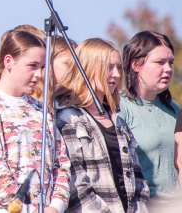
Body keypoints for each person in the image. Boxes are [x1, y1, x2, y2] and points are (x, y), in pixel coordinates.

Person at [0, 29, 71, 213]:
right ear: (9, 62)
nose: (39, 74)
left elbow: (61, 163)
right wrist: (27, 208)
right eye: (32, 66)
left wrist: (55, 206)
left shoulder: (40, 109)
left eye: (42, 67)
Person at [55, 38, 149, 212]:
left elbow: (139, 179)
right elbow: (77, 184)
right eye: (109, 67)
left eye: (119, 67)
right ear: (89, 68)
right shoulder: (68, 119)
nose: (117, 74)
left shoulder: (119, 121)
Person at [119, 31, 179, 199]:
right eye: (160, 62)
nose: (168, 69)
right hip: (141, 204)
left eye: (170, 63)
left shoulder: (177, 112)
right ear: (136, 65)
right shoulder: (120, 109)